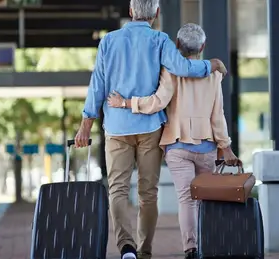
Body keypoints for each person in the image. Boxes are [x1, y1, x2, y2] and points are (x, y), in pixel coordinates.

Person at [73, 0, 228, 258]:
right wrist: (210, 65)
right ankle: (144, 251)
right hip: (150, 128)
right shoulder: (160, 40)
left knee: (118, 189)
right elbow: (182, 68)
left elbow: (96, 85)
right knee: (148, 193)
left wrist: (85, 126)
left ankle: (126, 247)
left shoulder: (108, 42)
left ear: (131, 11)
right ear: (156, 13)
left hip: (117, 128)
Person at [105, 23, 241, 259]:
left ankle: (190, 248)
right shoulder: (213, 74)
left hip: (177, 145)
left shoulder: (170, 71)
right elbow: (217, 115)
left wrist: (126, 103)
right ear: (203, 46)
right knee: (203, 200)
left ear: (177, 45)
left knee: (186, 199)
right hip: (206, 145)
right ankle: (206, 244)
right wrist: (225, 145)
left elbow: (157, 102)